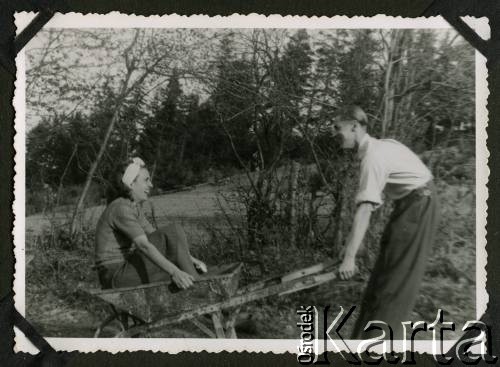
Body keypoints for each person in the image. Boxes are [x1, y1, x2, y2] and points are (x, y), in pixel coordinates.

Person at [331, 106, 440, 339]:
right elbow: (367, 206)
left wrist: (349, 257)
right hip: (411, 205)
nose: (334, 133)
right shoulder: (377, 148)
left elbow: (365, 210)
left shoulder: (373, 156)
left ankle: (378, 347)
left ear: (354, 126)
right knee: (382, 279)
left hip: (420, 206)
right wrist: (353, 247)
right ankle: (363, 343)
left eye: (337, 128)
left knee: (394, 283)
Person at [94, 157, 207, 290]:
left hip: (125, 269)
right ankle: (201, 291)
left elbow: (159, 237)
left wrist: (190, 259)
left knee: (173, 234)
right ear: (131, 184)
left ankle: (197, 285)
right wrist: (175, 272)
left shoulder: (133, 207)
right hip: (115, 276)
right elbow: (144, 245)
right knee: (173, 230)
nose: (151, 185)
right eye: (146, 180)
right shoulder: (121, 208)